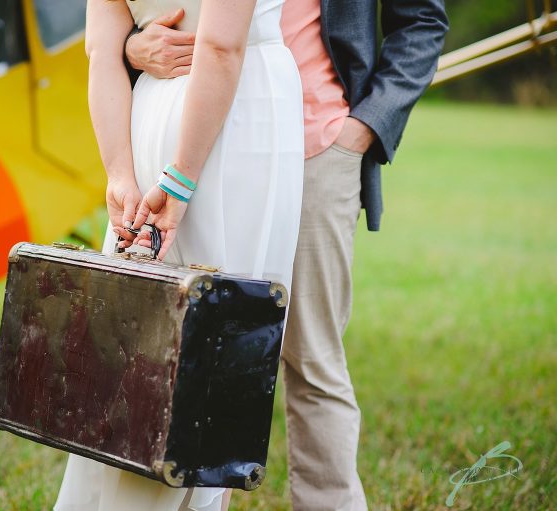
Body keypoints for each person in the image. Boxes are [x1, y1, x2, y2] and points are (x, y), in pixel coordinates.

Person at [123, 1, 448, 509]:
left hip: (317, 145)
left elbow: (423, 18)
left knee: (313, 356)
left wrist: (364, 127)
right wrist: (133, 45)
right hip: (206, 149)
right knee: (185, 347)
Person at [53, 0, 306, 510]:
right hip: (234, 120)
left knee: (140, 345)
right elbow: (220, 44)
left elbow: (101, 52)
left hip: (146, 117)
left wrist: (119, 175)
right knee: (217, 346)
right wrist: (182, 179)